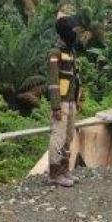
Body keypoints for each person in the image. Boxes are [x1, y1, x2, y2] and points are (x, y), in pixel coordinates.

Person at [46, 13, 82, 188]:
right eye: (73, 30)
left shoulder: (71, 52)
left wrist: (78, 98)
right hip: (61, 102)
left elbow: (74, 78)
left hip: (71, 101)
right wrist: (55, 106)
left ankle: (64, 170)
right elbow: (53, 82)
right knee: (58, 137)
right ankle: (54, 173)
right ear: (65, 32)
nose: (76, 33)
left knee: (68, 137)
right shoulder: (55, 53)